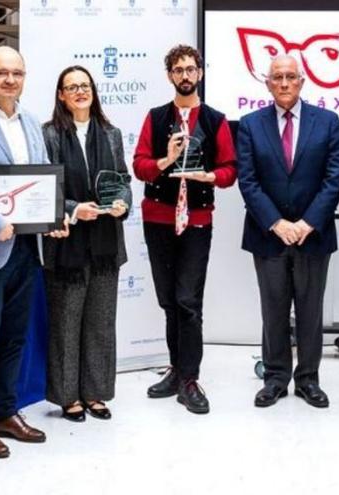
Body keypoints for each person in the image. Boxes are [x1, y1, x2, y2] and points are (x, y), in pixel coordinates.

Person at [0, 46, 65, 458]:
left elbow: (39, 180)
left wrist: (54, 217)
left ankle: (6, 411)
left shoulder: (32, 122)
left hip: (25, 246)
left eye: (17, 73)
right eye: (1, 73)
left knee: (14, 337)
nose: (9, 80)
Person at [237, 54, 339, 409]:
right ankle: (275, 378)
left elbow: (334, 178)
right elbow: (248, 180)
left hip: (313, 234)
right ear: (267, 84)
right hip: (267, 234)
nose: (284, 83)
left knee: (310, 309)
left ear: (302, 81)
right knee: (273, 308)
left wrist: (306, 223)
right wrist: (277, 223)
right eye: (277, 77)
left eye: (290, 77)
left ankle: (308, 379)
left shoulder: (327, 122)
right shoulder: (251, 124)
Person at [132, 44, 236, 415]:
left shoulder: (215, 119)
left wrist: (209, 175)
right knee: (167, 300)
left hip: (196, 221)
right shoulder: (156, 117)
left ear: (201, 73)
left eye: (191, 69)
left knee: (188, 301)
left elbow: (229, 170)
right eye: (178, 70)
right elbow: (140, 166)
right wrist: (168, 159)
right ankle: (176, 370)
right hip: (157, 219)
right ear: (170, 76)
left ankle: (190, 378)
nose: (186, 75)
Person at [42, 65, 131, 422]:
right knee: (66, 322)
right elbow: (45, 185)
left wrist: (122, 200)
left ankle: (95, 393)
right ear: (61, 95)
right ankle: (68, 397)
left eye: (85, 86)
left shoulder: (111, 133)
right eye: (71, 87)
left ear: (93, 91)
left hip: (106, 244)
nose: (80, 91)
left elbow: (122, 178)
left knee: (100, 321)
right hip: (67, 243)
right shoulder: (47, 135)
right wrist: (74, 209)